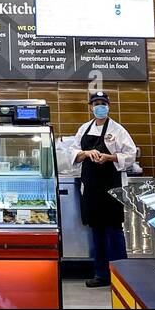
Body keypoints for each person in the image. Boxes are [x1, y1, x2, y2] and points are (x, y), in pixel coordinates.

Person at [58, 91, 139, 289]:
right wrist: (86, 153)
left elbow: (131, 154)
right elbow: (73, 152)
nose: (99, 106)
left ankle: (122, 277)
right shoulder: (84, 128)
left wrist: (109, 157)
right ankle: (101, 274)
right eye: (96, 103)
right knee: (97, 232)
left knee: (114, 231)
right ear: (90, 107)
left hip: (111, 187)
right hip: (91, 187)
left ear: (109, 106)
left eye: (103, 103)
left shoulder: (117, 130)